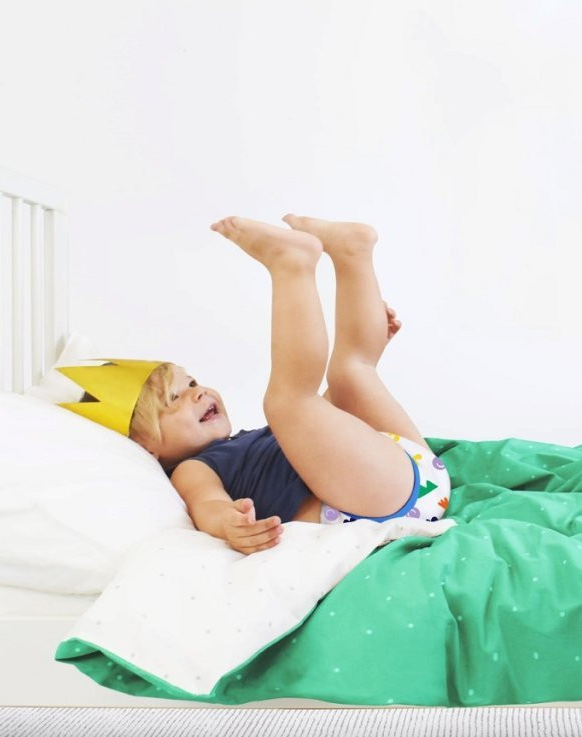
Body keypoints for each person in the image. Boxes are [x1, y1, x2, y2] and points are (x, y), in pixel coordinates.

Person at [59, 215, 449, 555]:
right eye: (173, 398)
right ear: (147, 446)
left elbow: (331, 431)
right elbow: (207, 504)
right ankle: (339, 257)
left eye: (192, 382)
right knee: (337, 377)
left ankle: (337, 255)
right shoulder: (190, 470)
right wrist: (228, 523)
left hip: (386, 488)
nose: (197, 392)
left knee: (324, 390)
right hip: (391, 491)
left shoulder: (251, 442)